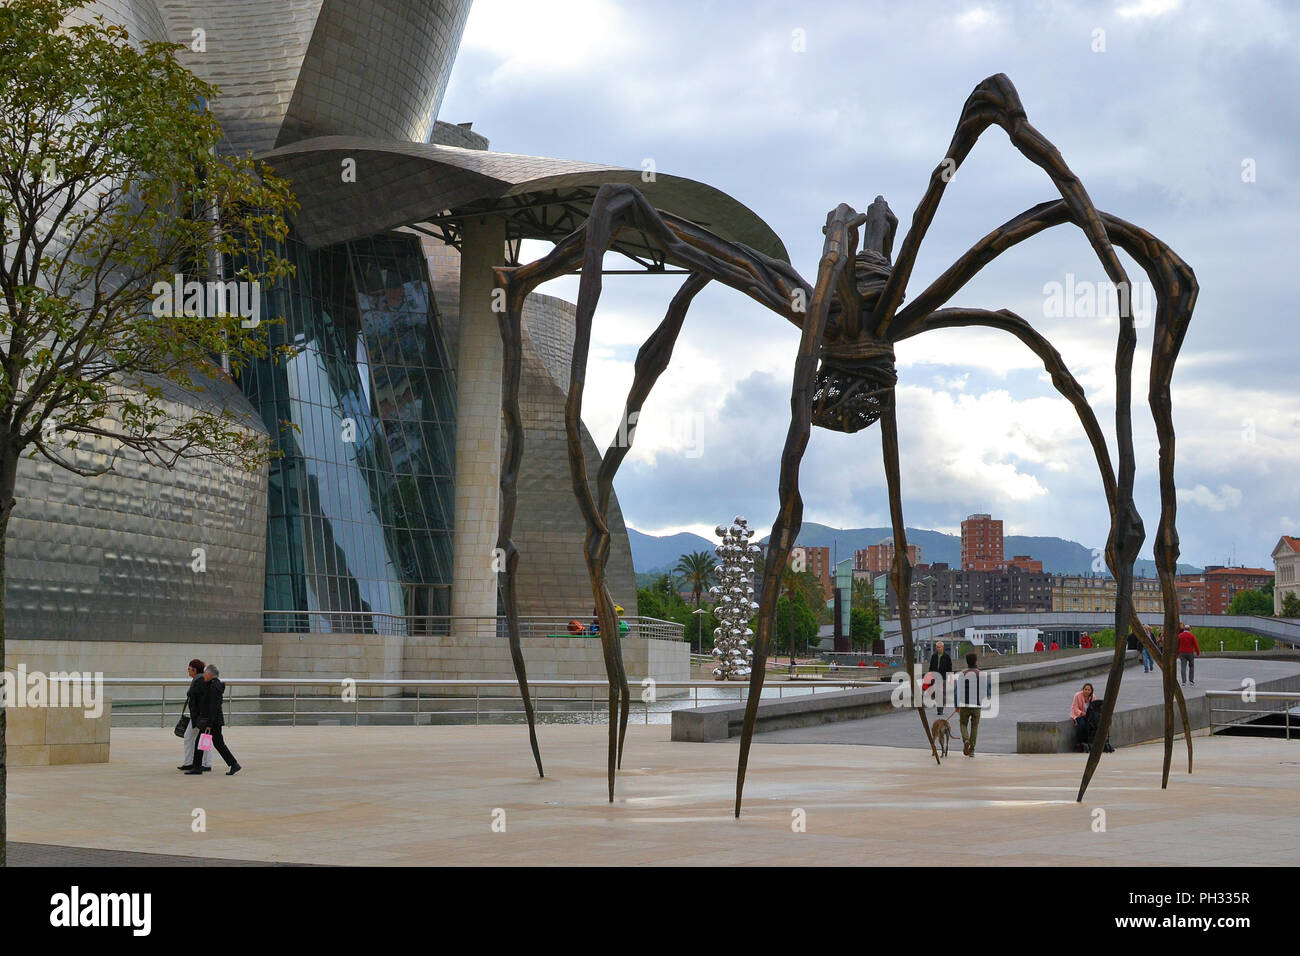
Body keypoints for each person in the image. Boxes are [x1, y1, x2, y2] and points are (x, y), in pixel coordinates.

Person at [186, 664, 241, 776]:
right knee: (218, 744)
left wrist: (209, 724)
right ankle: (233, 764)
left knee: (202, 743)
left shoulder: (213, 688)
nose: (203, 676)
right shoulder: (212, 685)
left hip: (211, 721)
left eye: (205, 673)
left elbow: (214, 707)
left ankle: (197, 767)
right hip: (213, 720)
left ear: (210, 675)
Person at [178, 658, 213, 773]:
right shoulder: (199, 679)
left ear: (195, 669)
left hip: (199, 716)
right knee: (196, 737)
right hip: (198, 715)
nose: (188, 670)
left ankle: (204, 763)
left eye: (189, 668)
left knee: (202, 738)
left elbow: (201, 699)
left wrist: (201, 715)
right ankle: (193, 763)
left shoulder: (199, 680)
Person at [955, 652, 982, 757]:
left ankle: (966, 740)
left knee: (963, 724)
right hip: (977, 705)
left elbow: (957, 691)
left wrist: (957, 706)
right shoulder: (981, 674)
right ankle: (972, 750)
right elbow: (987, 691)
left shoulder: (962, 674)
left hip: (964, 704)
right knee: (974, 727)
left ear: (967, 662)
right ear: (976, 662)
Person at [927, 640, 953, 715]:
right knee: (935, 694)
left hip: (943, 678)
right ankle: (939, 704)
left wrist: (948, 678)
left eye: (940, 647)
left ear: (943, 647)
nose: (938, 648)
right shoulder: (934, 656)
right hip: (935, 678)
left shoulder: (946, 657)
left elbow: (949, 668)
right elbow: (931, 667)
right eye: (937, 647)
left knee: (941, 694)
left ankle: (940, 710)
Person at [1071, 682, 1095, 748]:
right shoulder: (1077, 695)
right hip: (1078, 714)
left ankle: (1089, 742)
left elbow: (1094, 707)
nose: (1086, 691)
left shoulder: (1093, 696)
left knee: (1092, 725)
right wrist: (1081, 713)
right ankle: (1080, 742)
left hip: (1088, 715)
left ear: (1091, 691)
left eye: (1088, 690)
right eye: (1085, 689)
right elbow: (1075, 707)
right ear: (1083, 689)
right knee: (1082, 725)